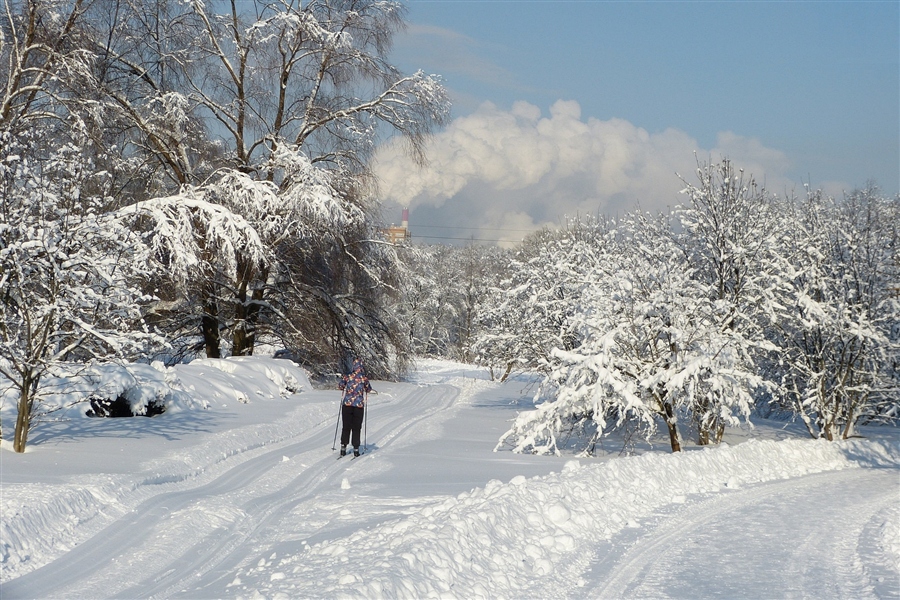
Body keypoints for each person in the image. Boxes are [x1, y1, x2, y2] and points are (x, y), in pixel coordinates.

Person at [338, 357, 371, 457]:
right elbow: (368, 389)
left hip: (347, 405)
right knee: (357, 427)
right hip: (359, 406)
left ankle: (343, 447)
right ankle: (356, 448)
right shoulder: (364, 378)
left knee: (346, 426)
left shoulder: (347, 377)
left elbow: (340, 386)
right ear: (361, 367)